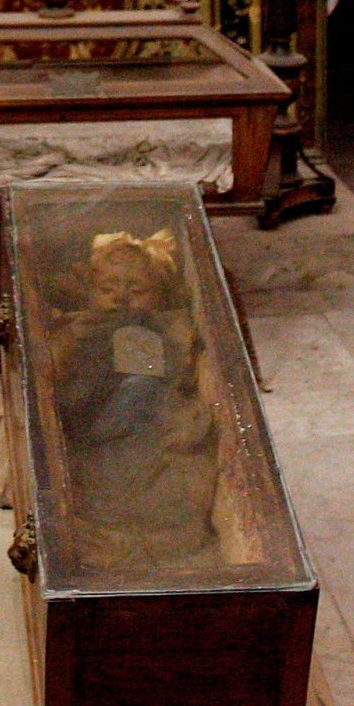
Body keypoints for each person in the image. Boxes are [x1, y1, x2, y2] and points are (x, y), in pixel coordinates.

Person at [47, 229, 224, 570]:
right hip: (90, 414)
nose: (121, 298)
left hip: (135, 419)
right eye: (107, 289)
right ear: (90, 293)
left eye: (136, 290)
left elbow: (146, 383)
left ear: (158, 293)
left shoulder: (148, 325)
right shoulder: (82, 325)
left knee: (139, 467)